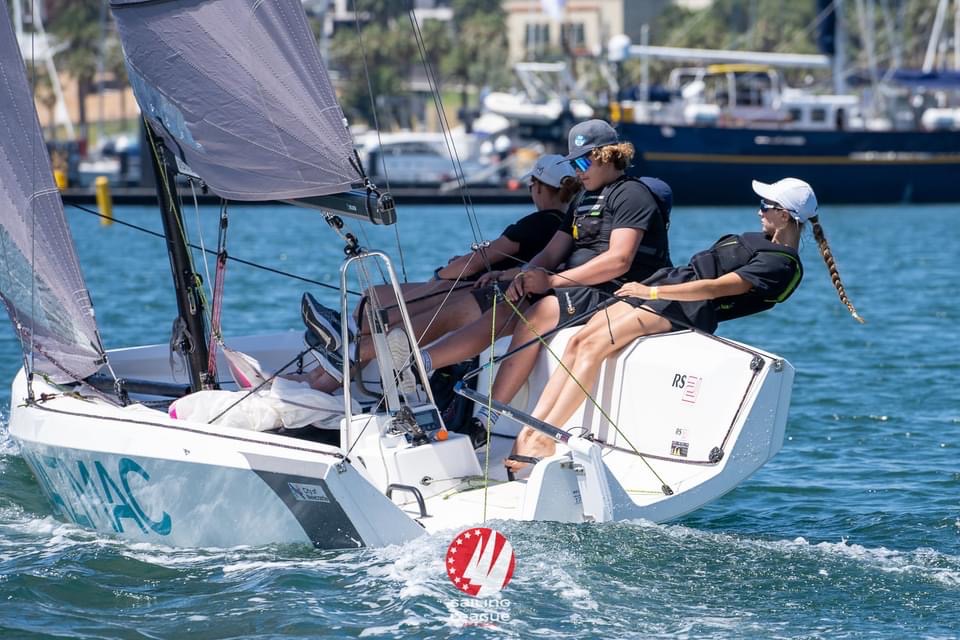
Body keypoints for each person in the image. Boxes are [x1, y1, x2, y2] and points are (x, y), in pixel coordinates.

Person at [505, 177, 864, 470]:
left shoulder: (781, 264)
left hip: (682, 307)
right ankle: (531, 431)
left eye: (766, 207)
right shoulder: (765, 245)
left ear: (784, 216)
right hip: (670, 288)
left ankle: (545, 438)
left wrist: (655, 292)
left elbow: (717, 287)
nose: (760, 212)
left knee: (594, 347)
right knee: (580, 342)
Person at [409, 119, 673, 431]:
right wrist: (524, 275)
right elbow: (550, 253)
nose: (578, 170)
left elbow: (619, 260)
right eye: (574, 163)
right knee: (502, 312)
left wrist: (551, 282)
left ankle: (487, 417)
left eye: (584, 161)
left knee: (537, 315)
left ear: (609, 156)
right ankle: (417, 365)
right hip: (575, 285)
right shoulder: (582, 200)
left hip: (614, 290)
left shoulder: (632, 194)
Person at [303, 153, 581, 386]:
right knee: (376, 300)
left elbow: (477, 261)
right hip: (491, 292)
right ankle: (330, 359)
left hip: (472, 291)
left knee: (377, 303)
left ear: (538, 186)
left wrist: (437, 277)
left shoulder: (538, 222)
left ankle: (337, 349)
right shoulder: (562, 226)